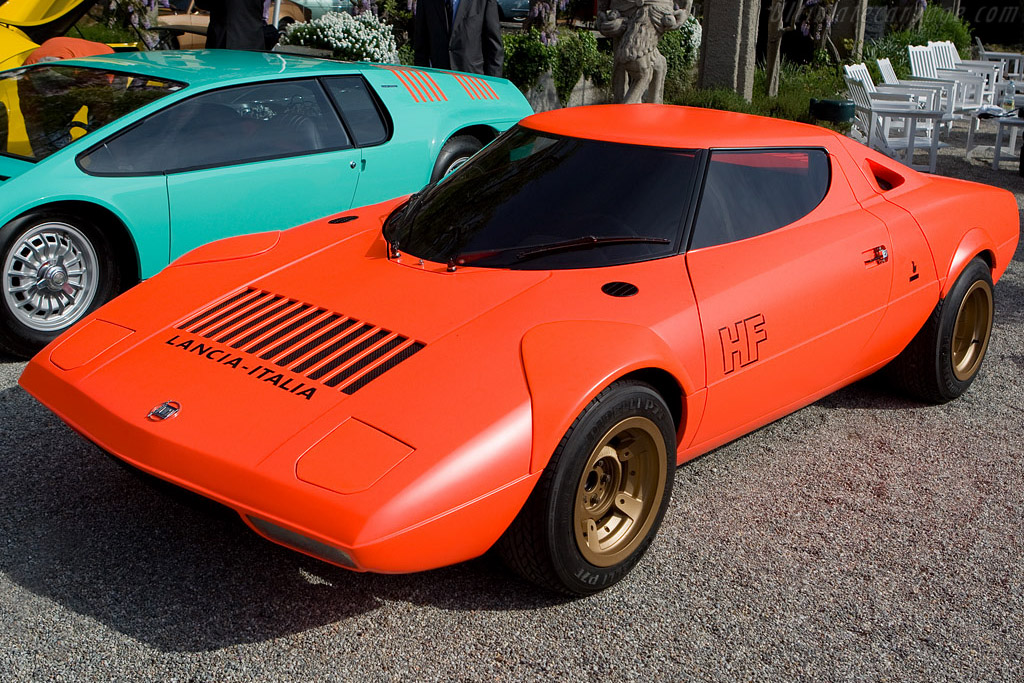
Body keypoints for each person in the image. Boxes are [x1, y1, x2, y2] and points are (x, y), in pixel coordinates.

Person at [414, 0, 503, 77]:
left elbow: (494, 47)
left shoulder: (483, 1)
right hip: (439, 81)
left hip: (473, 81)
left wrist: (493, 86)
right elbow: (421, 47)